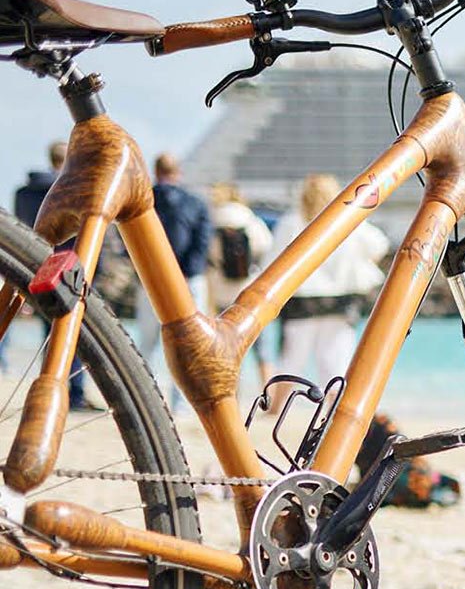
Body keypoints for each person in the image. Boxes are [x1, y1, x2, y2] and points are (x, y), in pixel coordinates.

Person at [269, 173, 388, 410]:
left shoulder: (292, 221)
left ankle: (275, 409)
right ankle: (335, 412)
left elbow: (273, 261)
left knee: (292, 358)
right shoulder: (348, 219)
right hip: (342, 300)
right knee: (335, 362)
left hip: (302, 301)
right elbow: (378, 246)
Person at [11, 140, 97, 408]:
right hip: (70, 265)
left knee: (46, 333)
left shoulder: (24, 192)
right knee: (71, 332)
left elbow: (22, 229)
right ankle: (74, 392)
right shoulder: (75, 189)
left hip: (35, 265)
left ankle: (45, 387)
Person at [137, 153, 212, 412]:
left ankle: (146, 400)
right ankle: (183, 403)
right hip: (188, 280)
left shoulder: (144, 200)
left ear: (156, 172)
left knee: (147, 342)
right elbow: (202, 243)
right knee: (188, 344)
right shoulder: (196, 203)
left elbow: (131, 243)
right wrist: (186, 271)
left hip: (150, 278)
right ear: (178, 173)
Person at [206, 182, 276, 394]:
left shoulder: (212, 220)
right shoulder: (250, 220)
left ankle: (230, 396)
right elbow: (267, 247)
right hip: (249, 291)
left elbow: (207, 254)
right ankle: (268, 397)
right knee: (262, 349)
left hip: (220, 292)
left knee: (227, 349)